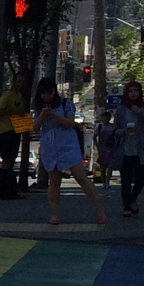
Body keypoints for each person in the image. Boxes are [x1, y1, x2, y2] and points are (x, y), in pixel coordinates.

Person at [34, 76, 106, 227]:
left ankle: (99, 211)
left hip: (68, 145)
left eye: (49, 92)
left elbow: (70, 123)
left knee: (81, 178)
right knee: (54, 181)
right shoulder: (39, 107)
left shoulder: (65, 103)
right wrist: (42, 116)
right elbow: (34, 127)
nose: (46, 96)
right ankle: (54, 214)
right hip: (50, 146)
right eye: (43, 93)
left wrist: (54, 115)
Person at [110, 79, 144, 217]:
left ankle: (133, 198)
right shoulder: (121, 109)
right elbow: (115, 130)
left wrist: (141, 113)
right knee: (125, 179)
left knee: (142, 176)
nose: (133, 94)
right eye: (130, 91)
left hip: (142, 149)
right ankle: (126, 207)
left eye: (135, 91)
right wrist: (123, 132)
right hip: (125, 149)